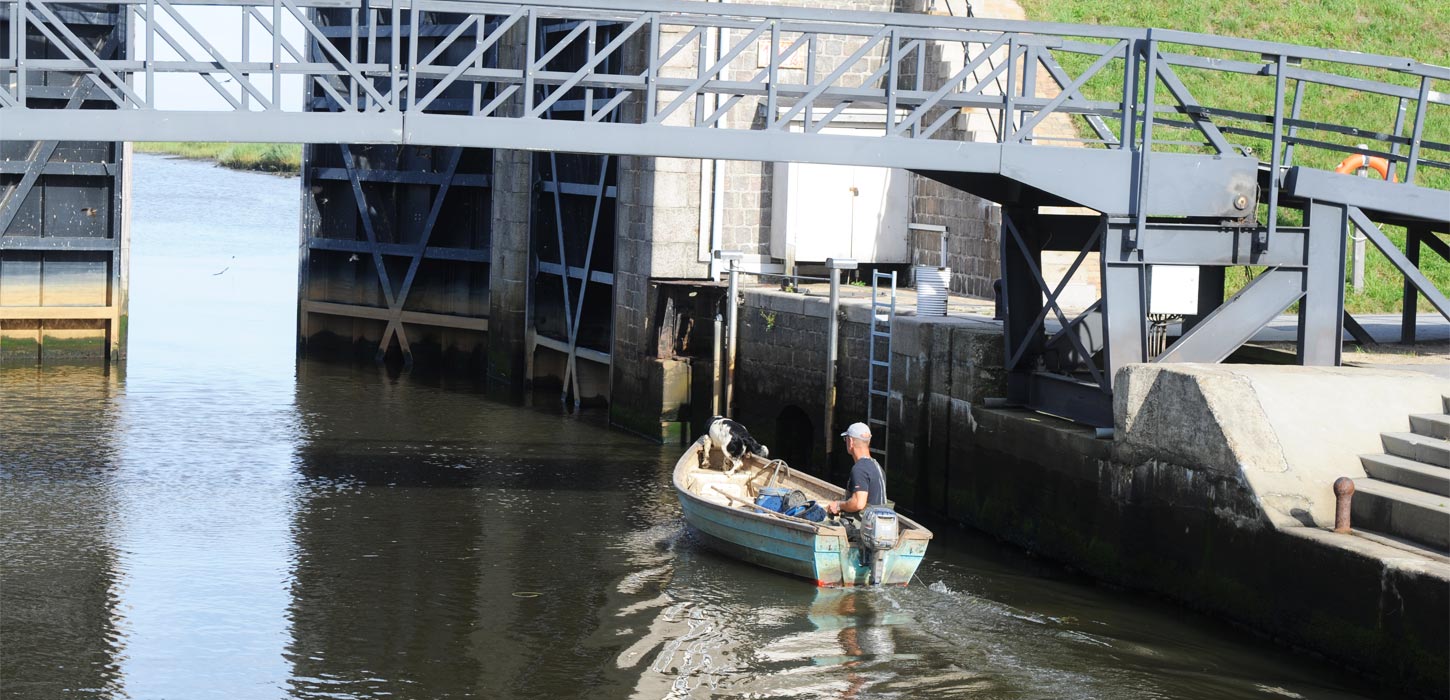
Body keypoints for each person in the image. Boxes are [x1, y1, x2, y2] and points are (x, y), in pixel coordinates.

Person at [824, 422, 886, 517]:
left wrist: (839, 505)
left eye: (846, 439)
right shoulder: (877, 466)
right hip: (879, 521)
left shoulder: (859, 469)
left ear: (851, 442)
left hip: (863, 527)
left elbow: (858, 503)